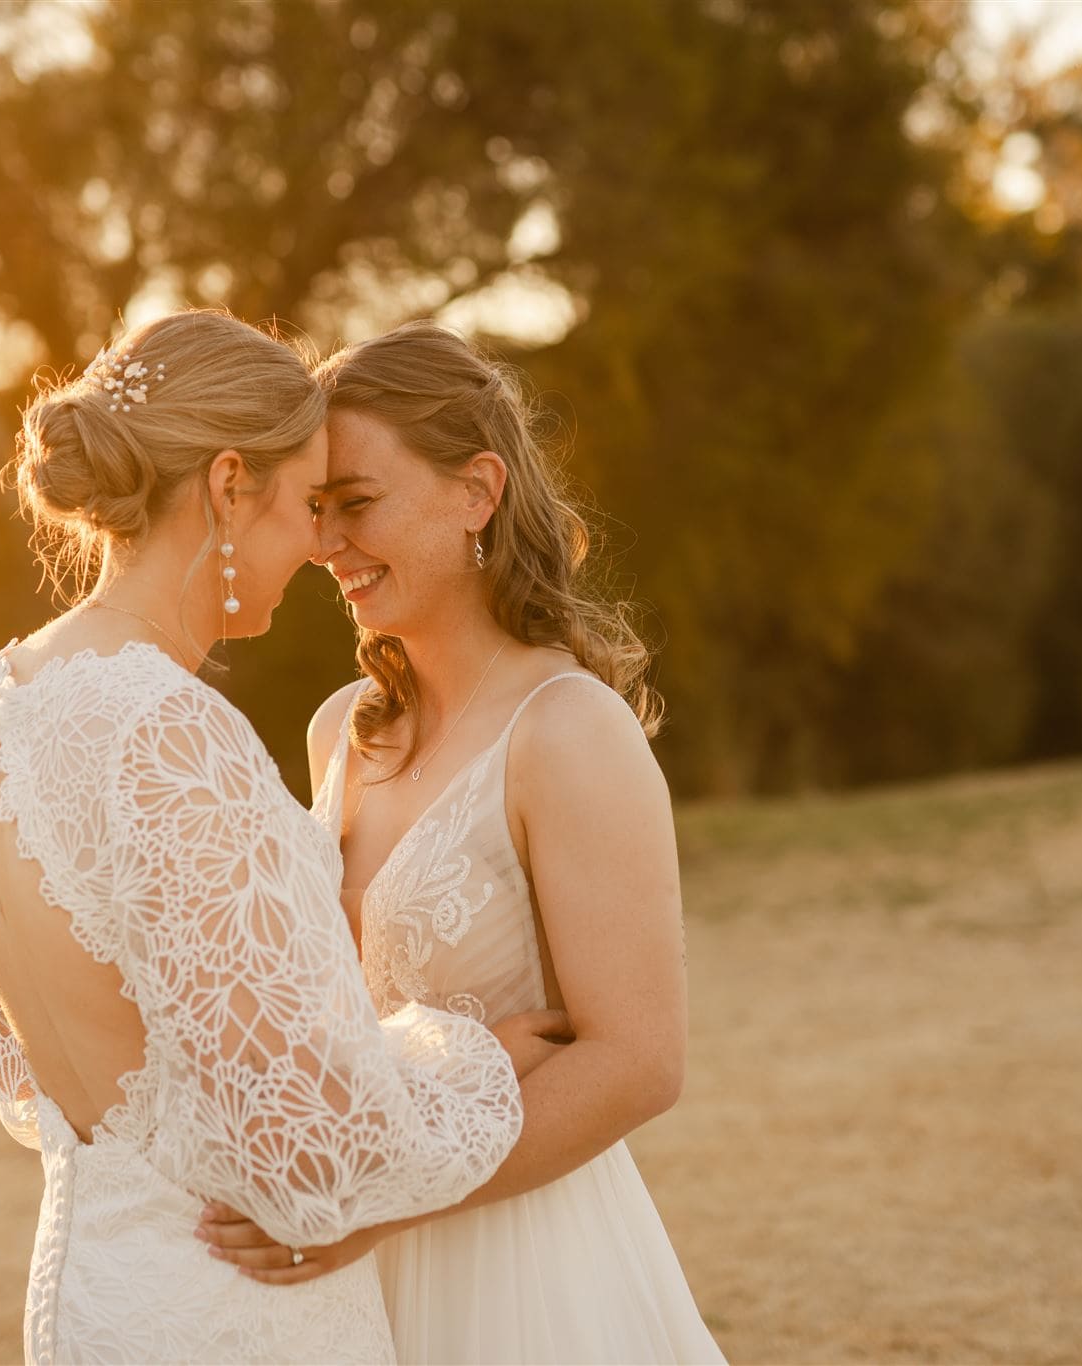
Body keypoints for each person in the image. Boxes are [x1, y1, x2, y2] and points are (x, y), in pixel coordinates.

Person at [0, 310, 557, 1364]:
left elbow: (23, 1074)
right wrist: (472, 1056)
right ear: (229, 487)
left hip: (91, 1285)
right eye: (307, 502)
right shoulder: (167, 730)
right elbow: (305, 1160)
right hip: (231, 1308)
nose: (320, 544)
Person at [197, 320, 726, 1364]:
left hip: (522, 1269)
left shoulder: (568, 730)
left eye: (356, 504)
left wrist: (385, 1203)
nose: (324, 545)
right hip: (357, 1270)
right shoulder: (339, 731)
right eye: (315, 511)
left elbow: (637, 1061)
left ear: (475, 492)